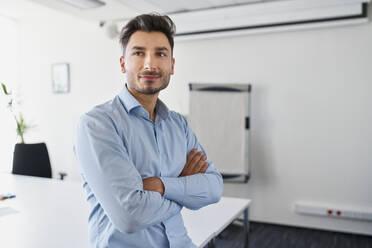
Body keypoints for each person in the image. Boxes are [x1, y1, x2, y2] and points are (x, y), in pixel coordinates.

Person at [74, 13, 223, 248]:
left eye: (160, 54)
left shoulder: (178, 125)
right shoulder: (97, 124)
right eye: (138, 52)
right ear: (123, 63)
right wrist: (183, 186)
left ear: (172, 65)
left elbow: (214, 187)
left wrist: (163, 186)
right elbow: (130, 216)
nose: (150, 64)